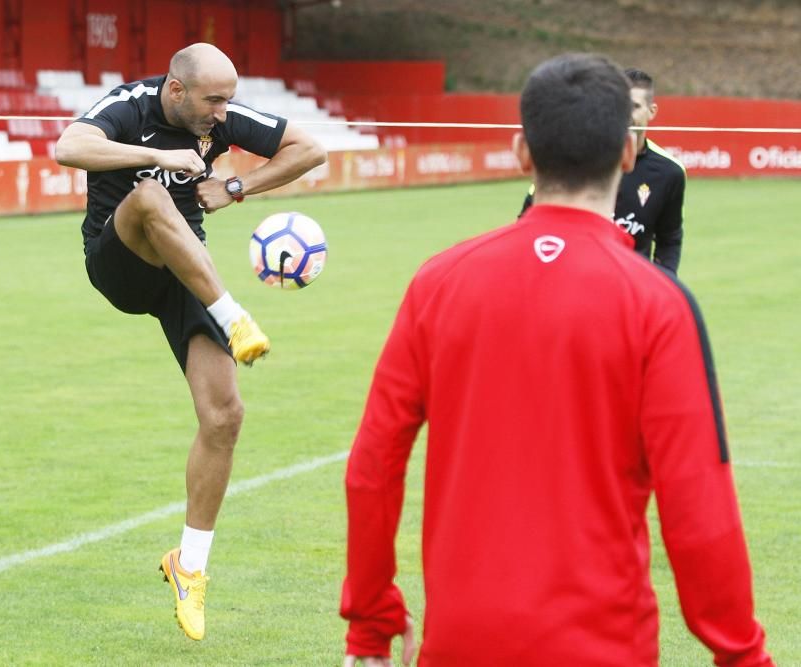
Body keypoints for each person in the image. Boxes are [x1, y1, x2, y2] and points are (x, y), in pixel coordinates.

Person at [340, 53, 773, 666]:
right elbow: (699, 507)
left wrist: (369, 624)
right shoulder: (660, 305)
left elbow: (371, 469)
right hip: (604, 647)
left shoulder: (439, 283)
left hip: (462, 643)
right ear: (627, 154)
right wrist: (742, 656)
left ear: (522, 152)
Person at [55, 42, 326, 641]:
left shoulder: (219, 116)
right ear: (176, 91)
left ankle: (190, 567)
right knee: (149, 196)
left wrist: (238, 188)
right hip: (119, 258)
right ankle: (233, 314)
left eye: (228, 99)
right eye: (213, 100)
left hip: (185, 271)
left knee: (225, 415)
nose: (223, 112)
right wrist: (165, 157)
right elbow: (67, 147)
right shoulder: (129, 104)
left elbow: (310, 148)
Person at [520, 68, 687, 273]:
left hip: (631, 288)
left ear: (652, 111)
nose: (626, 116)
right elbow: (527, 219)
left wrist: (666, 280)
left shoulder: (669, 172)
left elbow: (669, 238)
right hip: (572, 280)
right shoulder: (573, 159)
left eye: (634, 107)